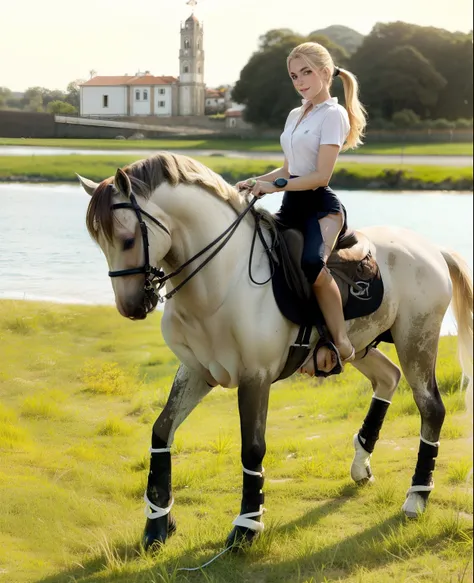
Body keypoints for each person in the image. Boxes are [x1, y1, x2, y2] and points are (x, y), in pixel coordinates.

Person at [236, 42, 367, 376]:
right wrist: (254, 181)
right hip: (291, 204)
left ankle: (340, 340)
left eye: (307, 72)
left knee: (311, 264)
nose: (300, 81)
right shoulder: (296, 114)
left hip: (320, 209)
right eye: (295, 75)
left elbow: (319, 176)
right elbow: (286, 170)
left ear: (326, 72)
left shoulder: (334, 115)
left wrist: (272, 187)